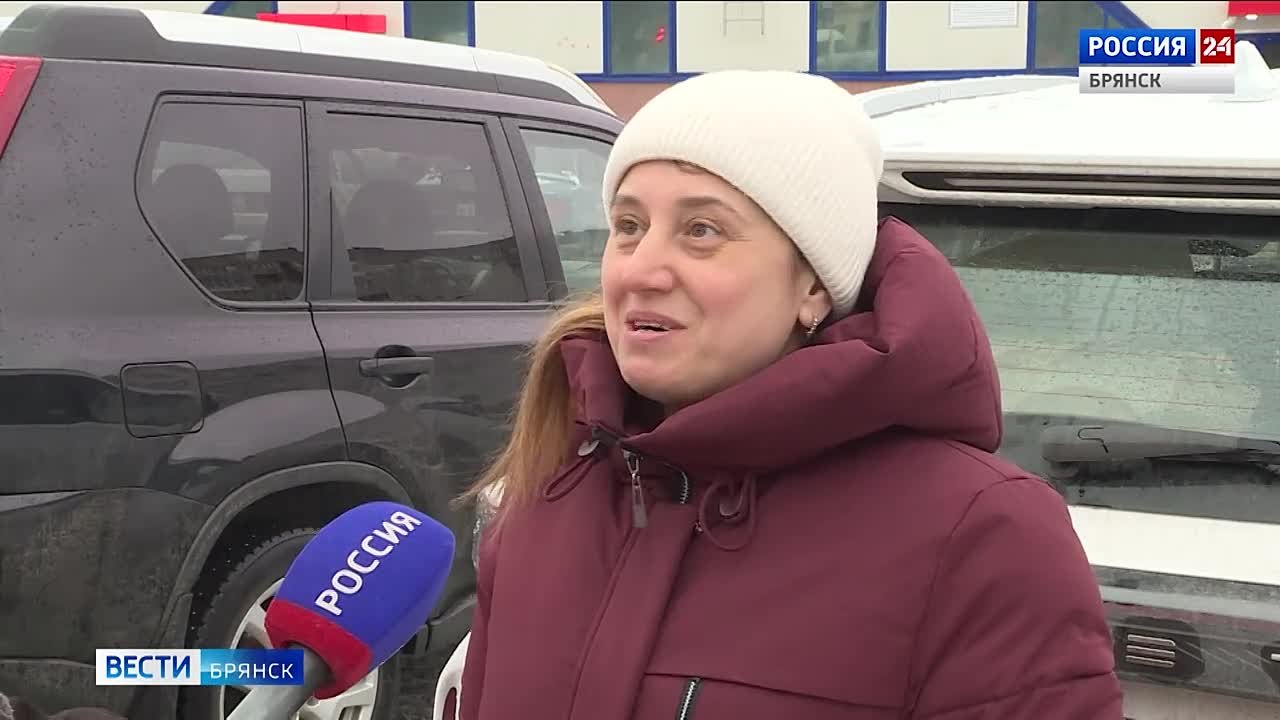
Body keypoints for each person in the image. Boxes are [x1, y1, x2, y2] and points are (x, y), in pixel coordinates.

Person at [457, 70, 1123, 719]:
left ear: (813, 287)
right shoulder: (554, 491)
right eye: (629, 226)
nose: (641, 271)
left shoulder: (980, 533)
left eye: (701, 231)